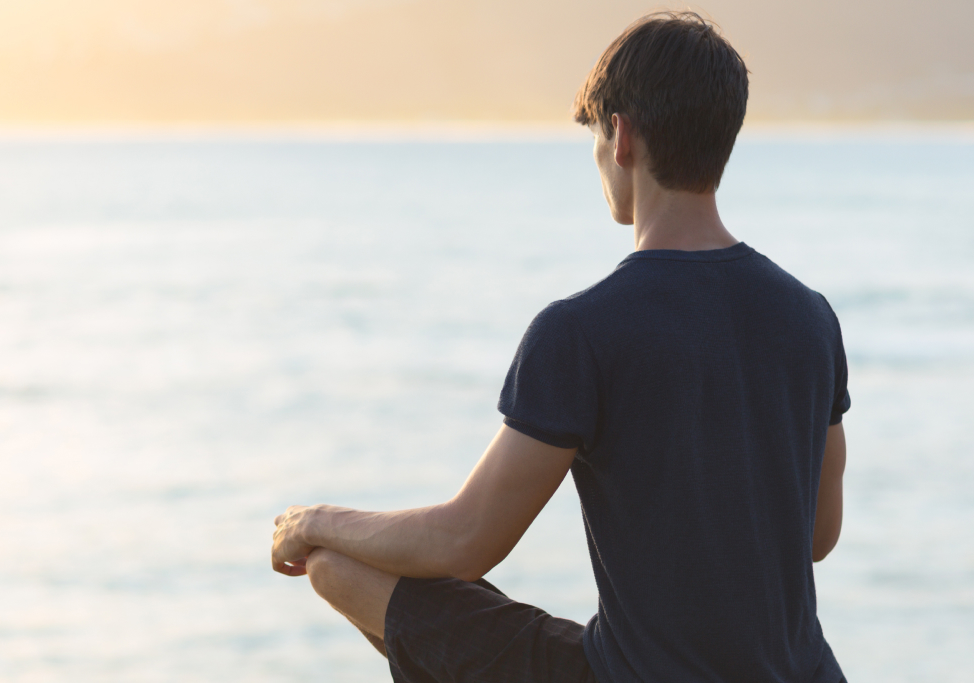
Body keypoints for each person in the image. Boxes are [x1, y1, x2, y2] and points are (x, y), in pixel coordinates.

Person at [269, 11, 850, 683]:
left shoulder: (582, 330)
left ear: (620, 135)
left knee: (334, 565)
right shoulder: (809, 317)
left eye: (595, 137)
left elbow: (466, 540)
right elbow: (815, 536)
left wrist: (312, 520)